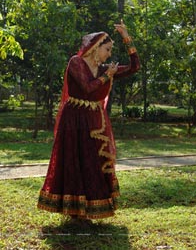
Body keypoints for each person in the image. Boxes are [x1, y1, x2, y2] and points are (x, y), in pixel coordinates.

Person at [37, 20, 140, 225]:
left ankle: (90, 208)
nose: (109, 54)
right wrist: (106, 77)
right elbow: (86, 88)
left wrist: (126, 36)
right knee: (75, 161)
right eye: (107, 49)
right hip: (74, 119)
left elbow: (134, 67)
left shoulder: (103, 69)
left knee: (93, 163)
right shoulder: (76, 62)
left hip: (94, 120)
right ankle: (76, 211)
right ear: (96, 47)